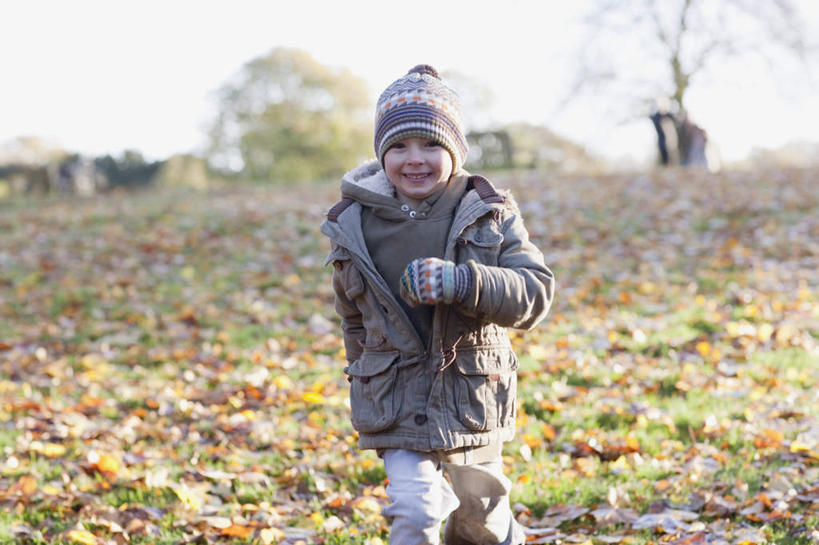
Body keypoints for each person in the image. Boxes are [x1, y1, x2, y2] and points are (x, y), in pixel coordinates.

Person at [321, 64, 555, 545]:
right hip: (397, 397)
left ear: (455, 150)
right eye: (399, 146)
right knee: (415, 510)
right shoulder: (354, 224)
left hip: (471, 395)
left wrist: (463, 282)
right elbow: (353, 319)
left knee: (483, 522)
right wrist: (364, 380)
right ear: (381, 153)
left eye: (431, 144)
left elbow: (534, 294)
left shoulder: (488, 211)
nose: (415, 160)